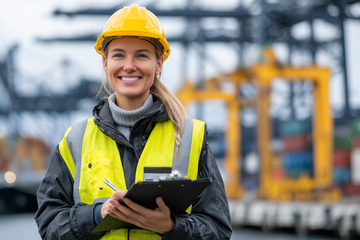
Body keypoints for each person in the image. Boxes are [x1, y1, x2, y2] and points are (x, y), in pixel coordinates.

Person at [34, 4, 232, 240]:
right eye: (119, 55)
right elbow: (49, 224)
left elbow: (218, 230)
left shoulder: (191, 137)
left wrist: (171, 227)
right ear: (105, 63)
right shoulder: (75, 141)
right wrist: (98, 214)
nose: (129, 65)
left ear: (158, 64)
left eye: (141, 55)